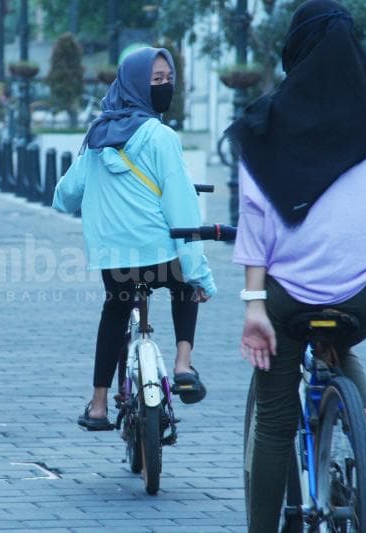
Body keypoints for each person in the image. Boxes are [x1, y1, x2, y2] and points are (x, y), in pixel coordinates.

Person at [227, 2, 366, 530]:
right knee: (339, 345)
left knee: (274, 424)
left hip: (288, 300)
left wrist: (253, 306)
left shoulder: (266, 124)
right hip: (362, 298)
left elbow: (255, 225)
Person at [52, 47, 216, 430]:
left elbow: (65, 196)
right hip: (160, 256)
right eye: (156, 80)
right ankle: (182, 364)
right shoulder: (161, 137)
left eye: (167, 79)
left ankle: (97, 405)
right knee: (183, 287)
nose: (164, 86)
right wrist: (200, 275)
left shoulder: (97, 136)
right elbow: (182, 210)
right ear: (139, 86)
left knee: (115, 311)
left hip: (114, 259)